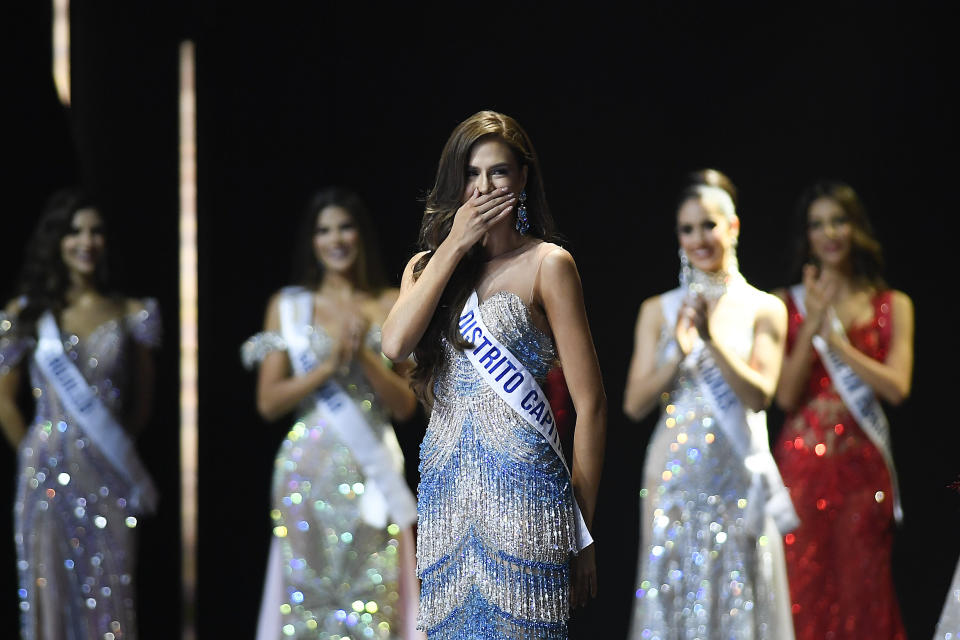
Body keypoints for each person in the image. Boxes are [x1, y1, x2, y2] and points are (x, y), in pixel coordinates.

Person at [380, 110, 606, 639]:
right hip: (446, 493)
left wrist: (583, 530)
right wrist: (455, 245)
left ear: (523, 178)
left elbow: (591, 405)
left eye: (499, 172)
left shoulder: (550, 265)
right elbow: (394, 345)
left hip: (527, 494)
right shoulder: (425, 268)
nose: (484, 188)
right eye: (471, 174)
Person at [241, 187, 423, 640]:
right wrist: (327, 364)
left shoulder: (388, 302)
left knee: (372, 602)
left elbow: (406, 406)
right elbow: (269, 402)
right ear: (312, 242)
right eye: (324, 231)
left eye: (345, 227)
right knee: (309, 603)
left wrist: (361, 354)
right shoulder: (289, 306)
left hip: (373, 472)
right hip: (307, 473)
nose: (336, 239)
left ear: (360, 235)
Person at [624, 174, 797, 639]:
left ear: (733, 227)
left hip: (737, 471)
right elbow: (635, 404)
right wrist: (679, 353)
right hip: (674, 474)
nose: (698, 239)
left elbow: (760, 396)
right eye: (687, 229)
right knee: (673, 590)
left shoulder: (765, 307)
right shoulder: (658, 309)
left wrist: (710, 340)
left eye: (709, 225)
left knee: (738, 593)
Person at [0, 189, 161, 640]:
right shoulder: (28, 315)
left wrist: (107, 450)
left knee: (110, 592)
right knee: (49, 590)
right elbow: (5, 401)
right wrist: (37, 451)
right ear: (56, 241)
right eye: (74, 232)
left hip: (108, 474)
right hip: (45, 476)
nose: (86, 241)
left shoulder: (131, 313)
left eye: (95, 231)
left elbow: (143, 402)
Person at [772, 181, 912, 640]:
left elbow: (896, 387)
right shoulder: (786, 303)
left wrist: (835, 345)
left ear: (855, 229)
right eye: (817, 224)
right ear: (806, 236)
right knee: (801, 591)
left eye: (839, 220)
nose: (829, 232)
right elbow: (785, 397)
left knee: (863, 593)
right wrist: (812, 322)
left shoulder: (892, 304)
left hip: (862, 472)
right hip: (800, 471)